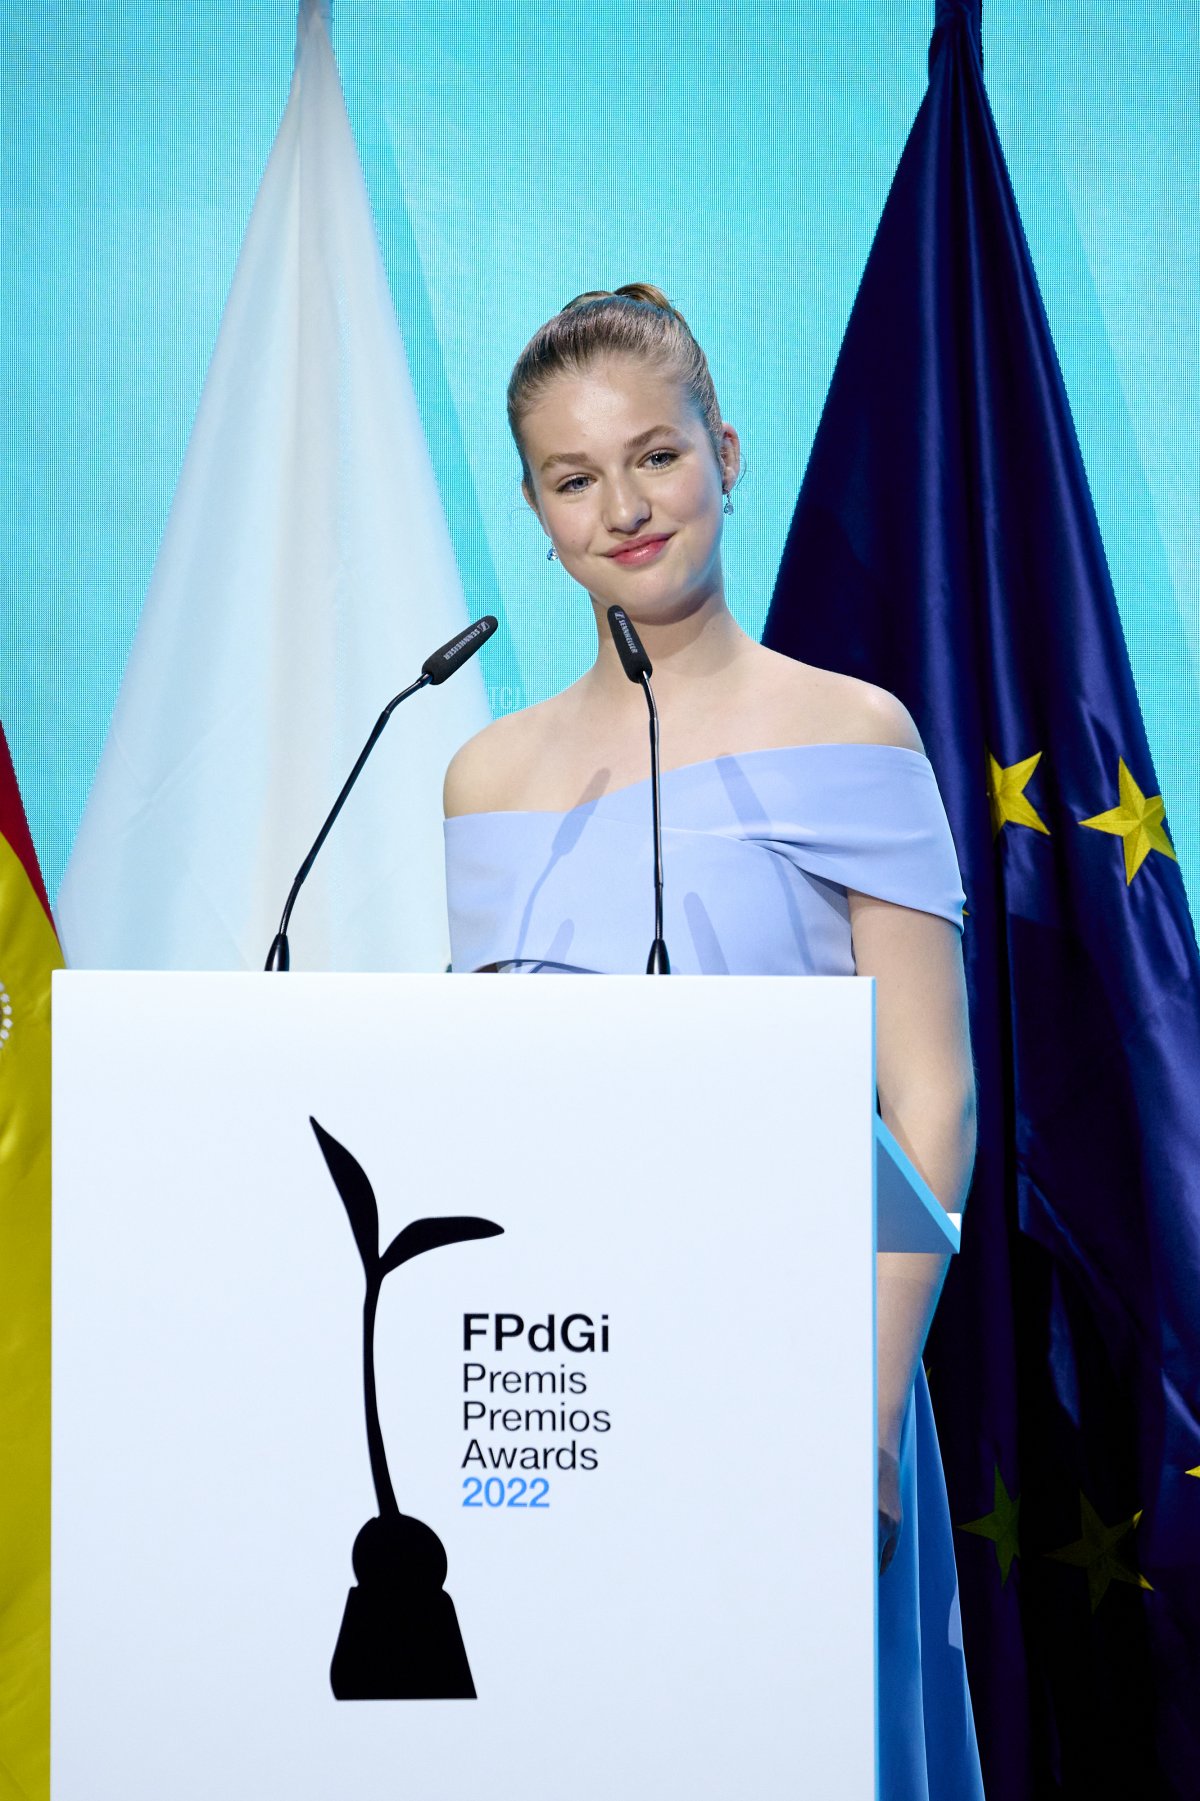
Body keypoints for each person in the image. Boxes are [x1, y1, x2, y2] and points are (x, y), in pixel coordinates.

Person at [442, 284, 984, 1798]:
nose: (623, 507)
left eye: (655, 456)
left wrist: (864, 1411)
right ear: (540, 512)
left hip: (804, 1376)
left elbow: (932, 1097)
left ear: (725, 452)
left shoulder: (856, 729)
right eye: (573, 476)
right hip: (558, 1391)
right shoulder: (483, 776)